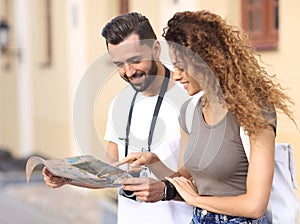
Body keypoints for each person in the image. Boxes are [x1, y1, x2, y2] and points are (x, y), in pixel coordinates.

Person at [117, 10, 296, 224]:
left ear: (207, 61)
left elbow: (255, 205)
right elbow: (189, 179)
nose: (175, 75)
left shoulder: (253, 111)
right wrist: (154, 163)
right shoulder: (190, 111)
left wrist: (197, 199)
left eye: (181, 66)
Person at [42, 12, 192, 224]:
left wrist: (162, 176)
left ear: (156, 49)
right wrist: (67, 176)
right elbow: (111, 172)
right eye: (119, 64)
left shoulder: (190, 99)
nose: (128, 72)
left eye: (135, 60)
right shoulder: (119, 104)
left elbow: (204, 179)